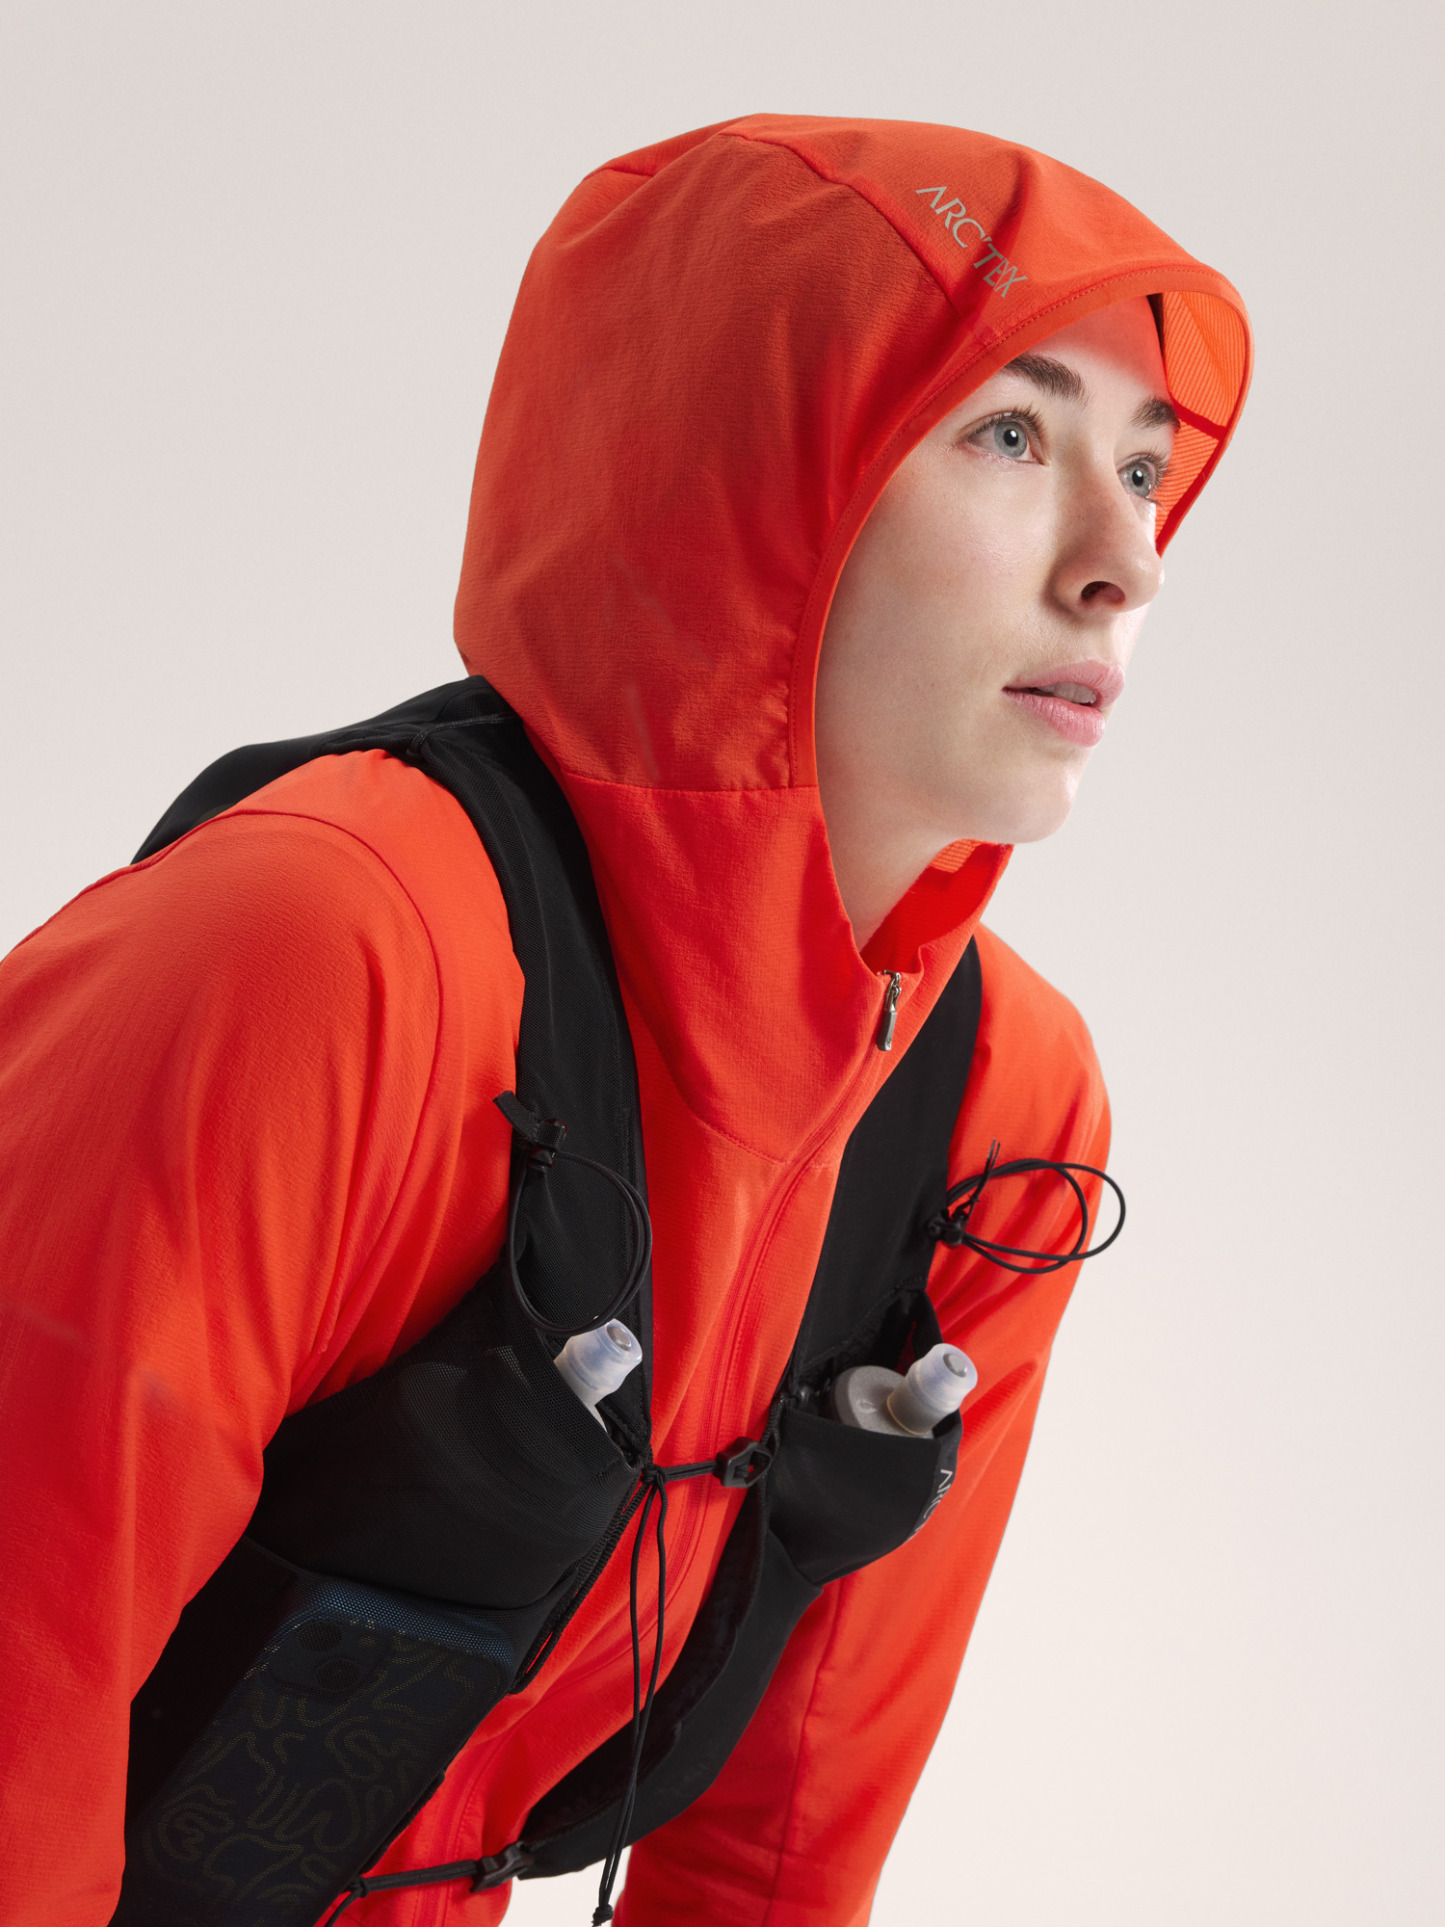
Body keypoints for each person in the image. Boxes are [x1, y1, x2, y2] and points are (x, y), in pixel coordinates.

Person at [0, 115, 1250, 1925]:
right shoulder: (317, 953)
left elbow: (780, 1849)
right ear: (742, 473)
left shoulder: (1000, 1103)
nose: (1123, 559)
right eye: (1006, 433)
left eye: (1143, 467)